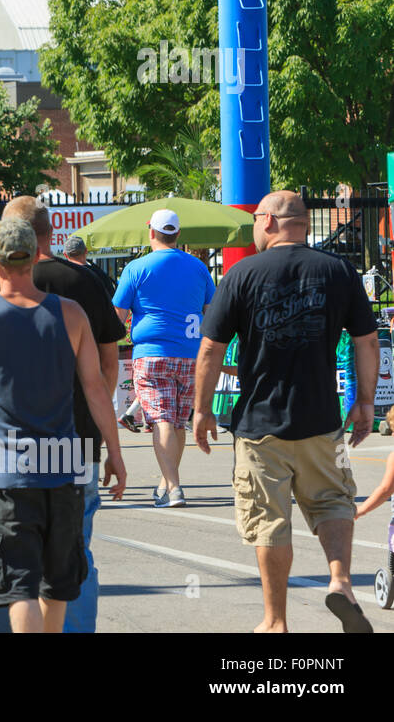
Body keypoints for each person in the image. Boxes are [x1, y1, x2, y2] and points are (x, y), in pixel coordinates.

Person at [193, 190, 379, 633]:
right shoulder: (338, 271)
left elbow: (209, 349)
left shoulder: (241, 275)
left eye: (256, 219)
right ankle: (340, 582)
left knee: (268, 520)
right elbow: (367, 341)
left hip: (260, 427)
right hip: (323, 423)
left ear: (271, 222)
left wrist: (201, 410)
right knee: (334, 500)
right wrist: (366, 402)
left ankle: (275, 621)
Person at [0, 219, 126, 633]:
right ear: (36, 255)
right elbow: (96, 388)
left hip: (9, 466)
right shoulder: (71, 313)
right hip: (65, 464)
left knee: (17, 584)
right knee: (57, 581)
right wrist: (114, 451)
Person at [112, 208, 217, 508]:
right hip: (190, 355)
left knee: (161, 421)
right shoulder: (198, 268)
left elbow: (117, 317)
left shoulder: (136, 268)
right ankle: (165, 483)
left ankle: (173, 487)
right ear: (177, 234)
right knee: (176, 422)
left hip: (152, 355)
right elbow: (211, 310)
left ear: (151, 232)